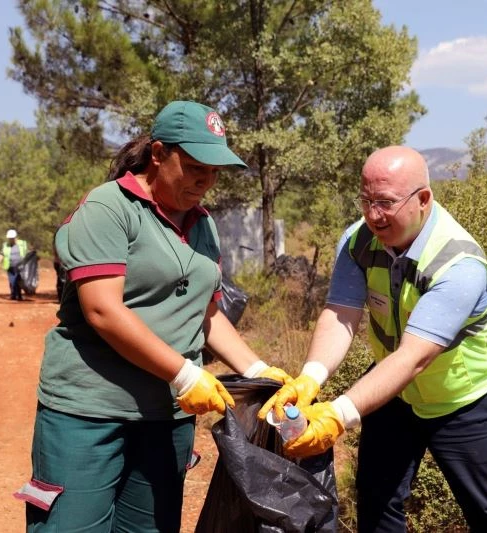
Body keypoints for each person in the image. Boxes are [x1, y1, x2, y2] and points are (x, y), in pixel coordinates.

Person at [15, 100, 293, 532]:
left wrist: (258, 369)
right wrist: (185, 375)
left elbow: (206, 314)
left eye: (215, 171)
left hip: (166, 417)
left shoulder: (203, 224)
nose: (206, 181)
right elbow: (103, 310)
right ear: (159, 153)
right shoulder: (109, 208)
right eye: (195, 167)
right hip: (90, 411)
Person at [259, 146, 487, 532]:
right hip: (393, 391)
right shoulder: (358, 241)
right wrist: (310, 377)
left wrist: (338, 415)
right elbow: (341, 313)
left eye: (385, 202)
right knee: (377, 501)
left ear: (423, 199)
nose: (373, 215)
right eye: (365, 201)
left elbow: (413, 358)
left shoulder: (459, 265)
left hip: (462, 397)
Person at [0, 229, 28, 300]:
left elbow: (27, 254)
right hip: (9, 266)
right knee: (12, 281)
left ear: (15, 237)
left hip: (20, 267)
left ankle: (19, 295)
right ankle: (13, 295)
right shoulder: (5, 245)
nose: (11, 240)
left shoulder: (22, 244)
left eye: (12, 238)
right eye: (9, 238)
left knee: (18, 281)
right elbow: (2, 254)